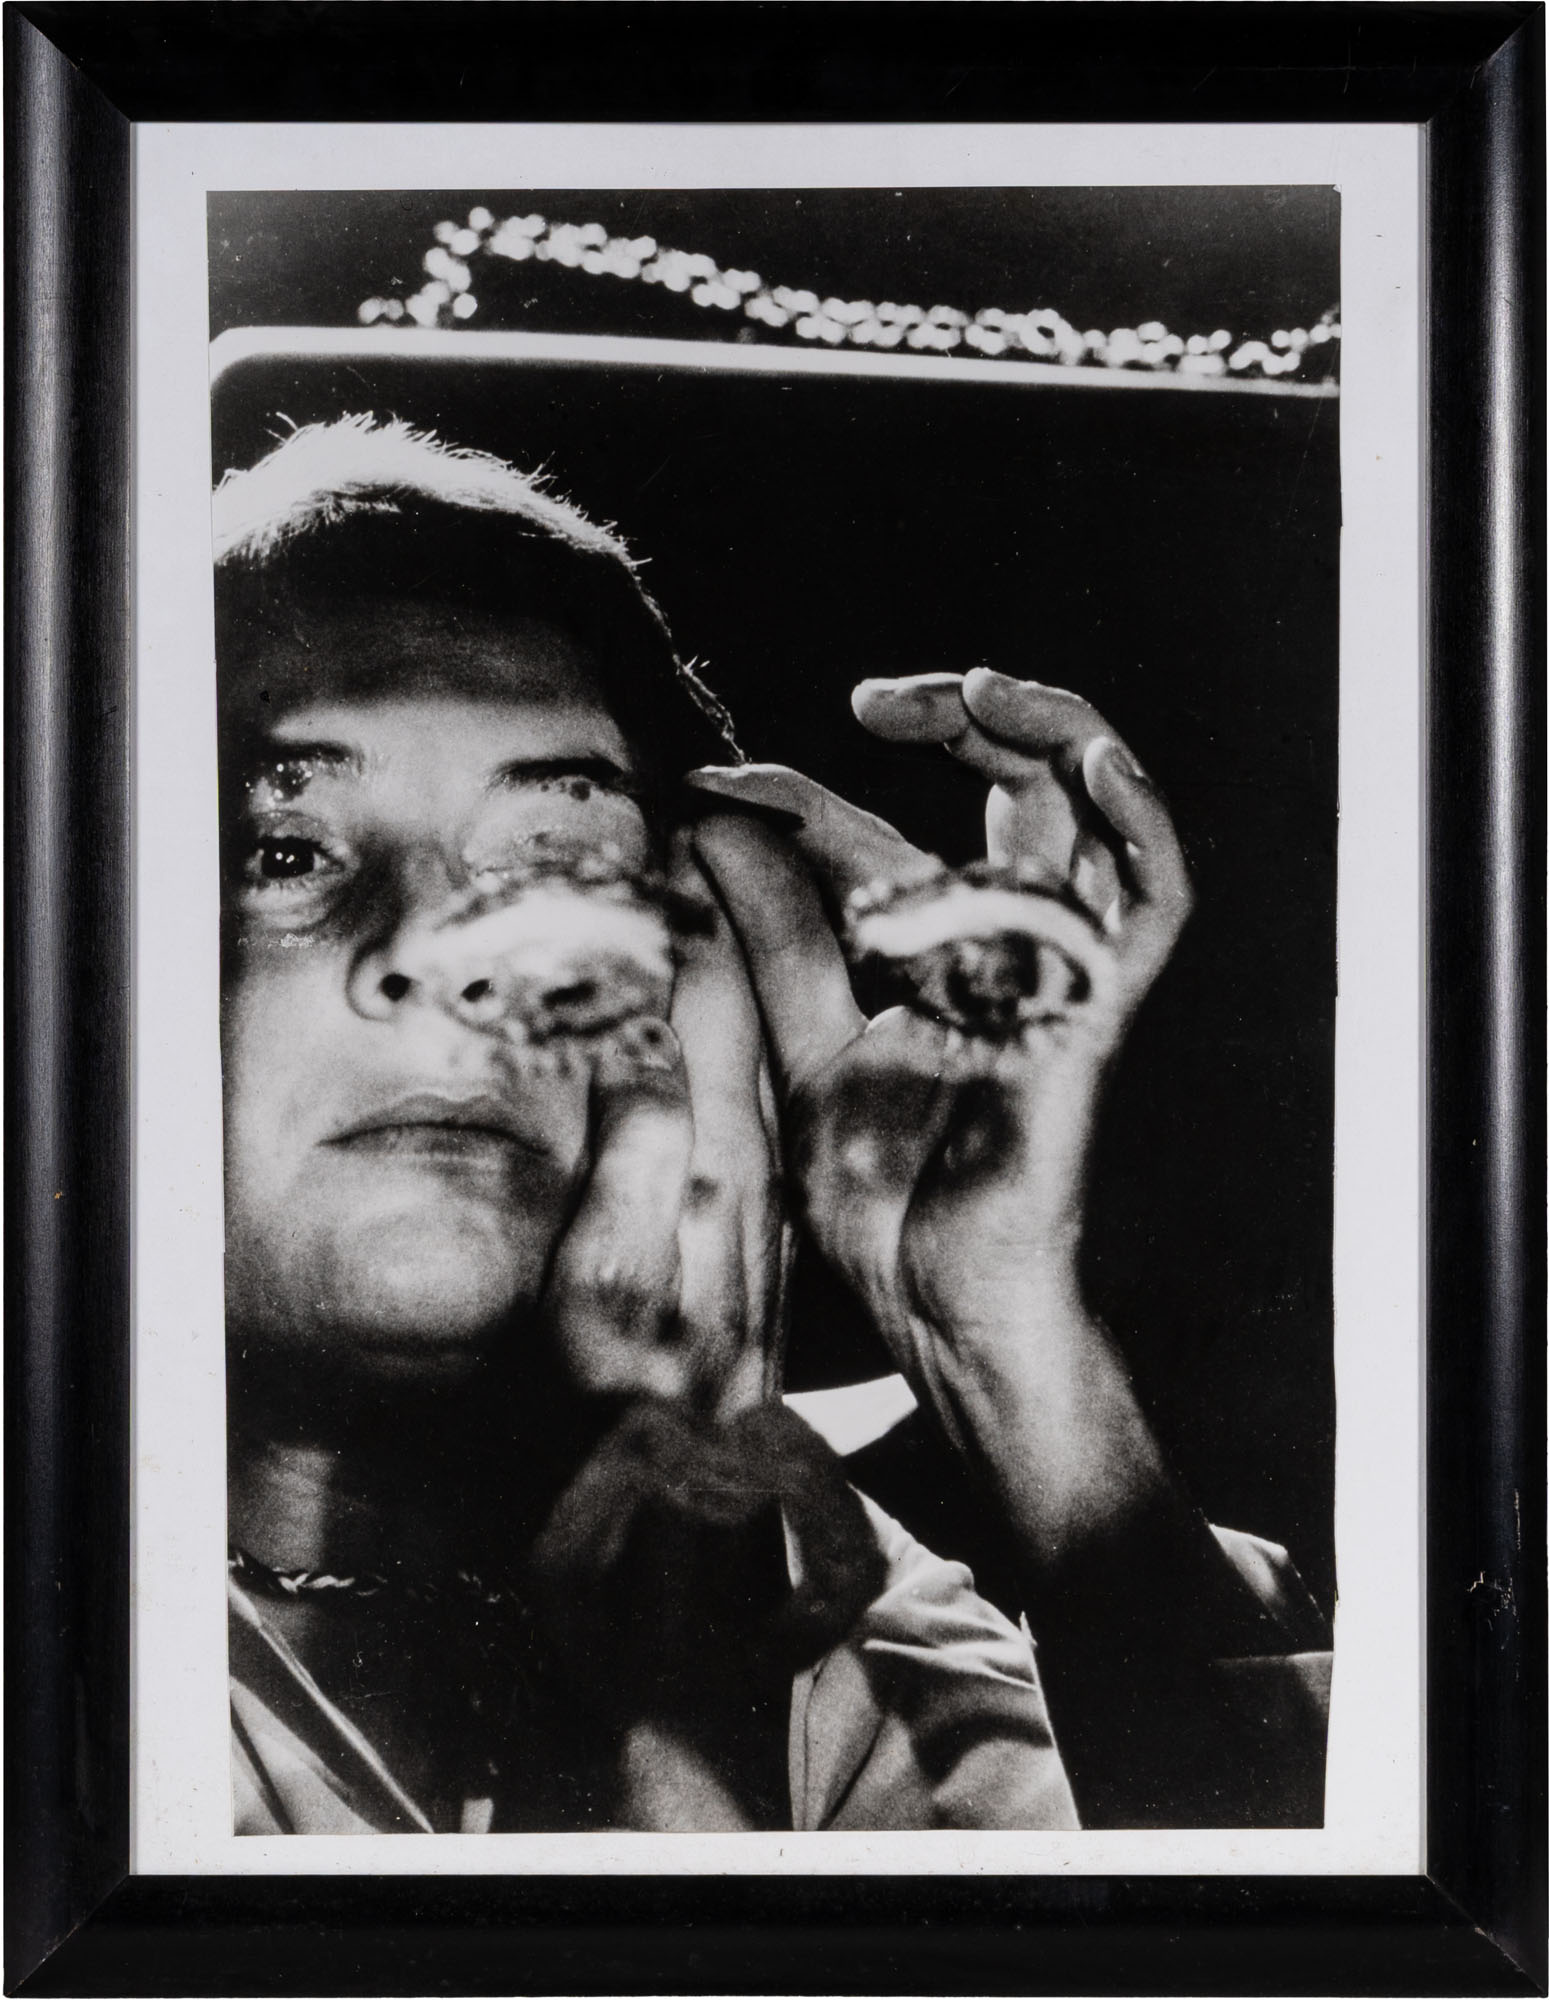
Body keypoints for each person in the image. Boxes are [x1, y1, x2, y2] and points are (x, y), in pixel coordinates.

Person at [217, 414, 1331, 1836]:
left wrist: (1001, 1348)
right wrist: (669, 1704)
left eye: (559, 865)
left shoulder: (851, 1629)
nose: (452, 957)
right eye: (287, 853)